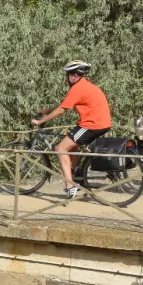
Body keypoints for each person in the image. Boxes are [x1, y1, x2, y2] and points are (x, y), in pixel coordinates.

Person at [32, 61, 112, 200]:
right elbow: (64, 104)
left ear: (74, 76)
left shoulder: (78, 88)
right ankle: (75, 173)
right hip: (99, 123)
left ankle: (70, 186)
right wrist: (46, 111)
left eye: (68, 75)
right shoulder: (84, 86)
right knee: (71, 145)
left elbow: (61, 110)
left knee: (60, 148)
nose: (67, 78)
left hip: (92, 124)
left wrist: (40, 121)